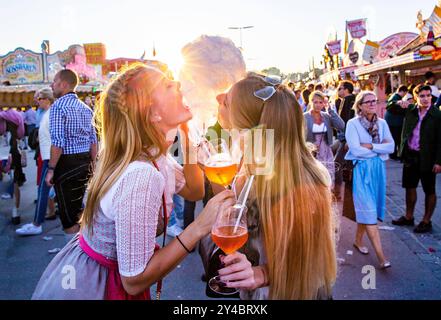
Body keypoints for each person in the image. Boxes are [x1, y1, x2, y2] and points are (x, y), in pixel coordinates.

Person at [32, 64, 235, 300]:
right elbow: (133, 280)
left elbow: (194, 191)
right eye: (168, 85)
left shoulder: (153, 155)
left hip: (91, 271)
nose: (178, 85)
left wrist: (188, 141)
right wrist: (200, 226)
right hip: (101, 286)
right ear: (152, 113)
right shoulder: (141, 174)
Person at [214, 74, 337, 300]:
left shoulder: (299, 182)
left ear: (247, 125)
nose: (218, 97)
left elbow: (309, 258)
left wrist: (261, 274)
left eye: (227, 101)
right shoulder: (250, 165)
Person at [45, 69, 98, 241]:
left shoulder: (58, 107)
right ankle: (85, 250)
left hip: (67, 165)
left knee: (69, 218)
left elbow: (58, 142)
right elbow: (93, 141)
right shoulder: (86, 108)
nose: (52, 85)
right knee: (83, 212)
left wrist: (51, 169)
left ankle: (74, 259)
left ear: (64, 84)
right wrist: (94, 165)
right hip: (86, 163)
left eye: (55, 81)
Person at [344, 91, 394, 269]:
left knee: (368, 209)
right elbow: (356, 151)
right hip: (362, 171)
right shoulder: (352, 124)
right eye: (368, 102)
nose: (373, 104)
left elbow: (392, 146)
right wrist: (380, 150)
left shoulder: (382, 123)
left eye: (375, 101)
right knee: (369, 212)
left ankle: (358, 240)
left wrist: (372, 146)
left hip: (378, 171)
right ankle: (381, 257)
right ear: (360, 105)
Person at [392, 85, 441, 233]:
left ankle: (426, 221)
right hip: (411, 155)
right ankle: (409, 217)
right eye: (422, 96)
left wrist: (439, 161)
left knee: (429, 190)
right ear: (416, 98)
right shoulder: (411, 110)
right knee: (409, 186)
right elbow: (390, 108)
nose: (426, 99)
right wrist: (398, 102)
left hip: (428, 158)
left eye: (428, 95)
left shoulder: (437, 115)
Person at [16, 88, 56, 236]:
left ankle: (37, 223)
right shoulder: (46, 114)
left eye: (38, 98)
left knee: (42, 191)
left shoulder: (51, 114)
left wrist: (52, 165)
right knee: (45, 191)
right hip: (47, 157)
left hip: (50, 158)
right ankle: (37, 222)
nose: (36, 101)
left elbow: (56, 139)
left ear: (46, 99)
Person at [304, 91, 345, 186]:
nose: (318, 105)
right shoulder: (304, 117)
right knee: (314, 179)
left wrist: (330, 110)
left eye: (321, 102)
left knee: (329, 177)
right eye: (315, 102)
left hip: (326, 151)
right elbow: (299, 135)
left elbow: (341, 126)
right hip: (311, 152)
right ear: (311, 102)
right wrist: (308, 146)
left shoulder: (326, 116)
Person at [0, 108, 26, 224]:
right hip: (13, 150)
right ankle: (15, 212)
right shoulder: (16, 115)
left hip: (3, 151)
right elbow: (21, 134)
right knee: (15, 181)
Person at [333, 80, 356, 200]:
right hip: (345, 138)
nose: (338, 91)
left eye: (340, 88)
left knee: (337, 163)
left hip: (347, 138)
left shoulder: (349, 101)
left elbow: (348, 121)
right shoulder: (344, 101)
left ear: (346, 89)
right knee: (347, 165)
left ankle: (338, 192)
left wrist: (348, 139)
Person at [384, 85, 409, 160]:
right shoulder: (396, 98)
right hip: (394, 122)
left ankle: (394, 154)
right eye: (405, 93)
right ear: (402, 91)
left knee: (395, 138)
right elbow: (391, 107)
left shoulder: (394, 96)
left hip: (392, 121)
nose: (405, 95)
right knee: (396, 138)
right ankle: (394, 155)